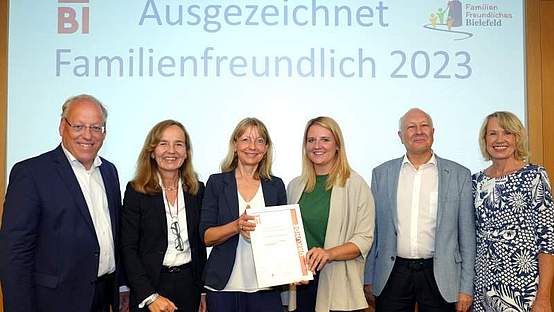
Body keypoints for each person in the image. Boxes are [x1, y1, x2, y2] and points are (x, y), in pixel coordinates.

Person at [0, 94, 124, 311]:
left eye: (96, 127)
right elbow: (15, 255)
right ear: (61, 127)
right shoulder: (31, 173)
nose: (88, 135)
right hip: (54, 301)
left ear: (104, 133)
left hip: (102, 297)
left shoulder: (109, 171)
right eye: (78, 126)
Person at [364, 108, 475, 312]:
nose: (418, 131)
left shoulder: (459, 175)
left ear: (433, 132)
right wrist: (369, 277)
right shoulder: (381, 174)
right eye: (411, 127)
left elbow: (467, 238)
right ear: (400, 136)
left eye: (424, 126)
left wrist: (466, 287)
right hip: (392, 273)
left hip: (441, 274)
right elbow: (375, 231)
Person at [285, 116, 374, 312]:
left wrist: (328, 254)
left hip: (338, 283)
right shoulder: (295, 186)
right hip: (301, 285)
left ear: (337, 146)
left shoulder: (355, 185)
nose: (317, 145)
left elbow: (364, 239)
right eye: (311, 140)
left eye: (325, 139)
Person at [200, 117, 286, 312]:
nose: (252, 146)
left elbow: (283, 239)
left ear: (265, 149)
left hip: (266, 287)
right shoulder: (216, 183)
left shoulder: (276, 186)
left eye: (259, 140)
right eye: (246, 139)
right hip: (223, 288)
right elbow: (206, 237)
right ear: (235, 145)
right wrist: (236, 226)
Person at [120, 120, 206, 312]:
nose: (171, 150)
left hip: (189, 285)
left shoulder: (197, 190)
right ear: (152, 151)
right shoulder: (136, 191)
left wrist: (202, 291)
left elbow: (199, 246)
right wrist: (150, 296)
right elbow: (128, 248)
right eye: (163, 143)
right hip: (150, 286)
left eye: (179, 144)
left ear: (186, 153)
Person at [472, 111, 554, 311]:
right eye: (493, 134)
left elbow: (547, 239)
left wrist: (543, 297)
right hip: (482, 288)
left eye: (507, 133)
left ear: (517, 138)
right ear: (484, 140)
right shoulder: (475, 181)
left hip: (523, 289)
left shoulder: (534, 176)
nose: (500, 139)